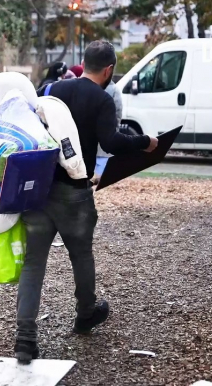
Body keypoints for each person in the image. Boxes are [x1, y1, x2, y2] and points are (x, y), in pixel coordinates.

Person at [14, 41, 158, 363]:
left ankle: (25, 337)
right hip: (74, 194)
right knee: (81, 255)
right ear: (108, 70)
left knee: (33, 262)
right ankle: (85, 314)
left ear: (82, 62)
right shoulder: (103, 100)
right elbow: (112, 142)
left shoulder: (53, 89)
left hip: (40, 188)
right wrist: (146, 142)